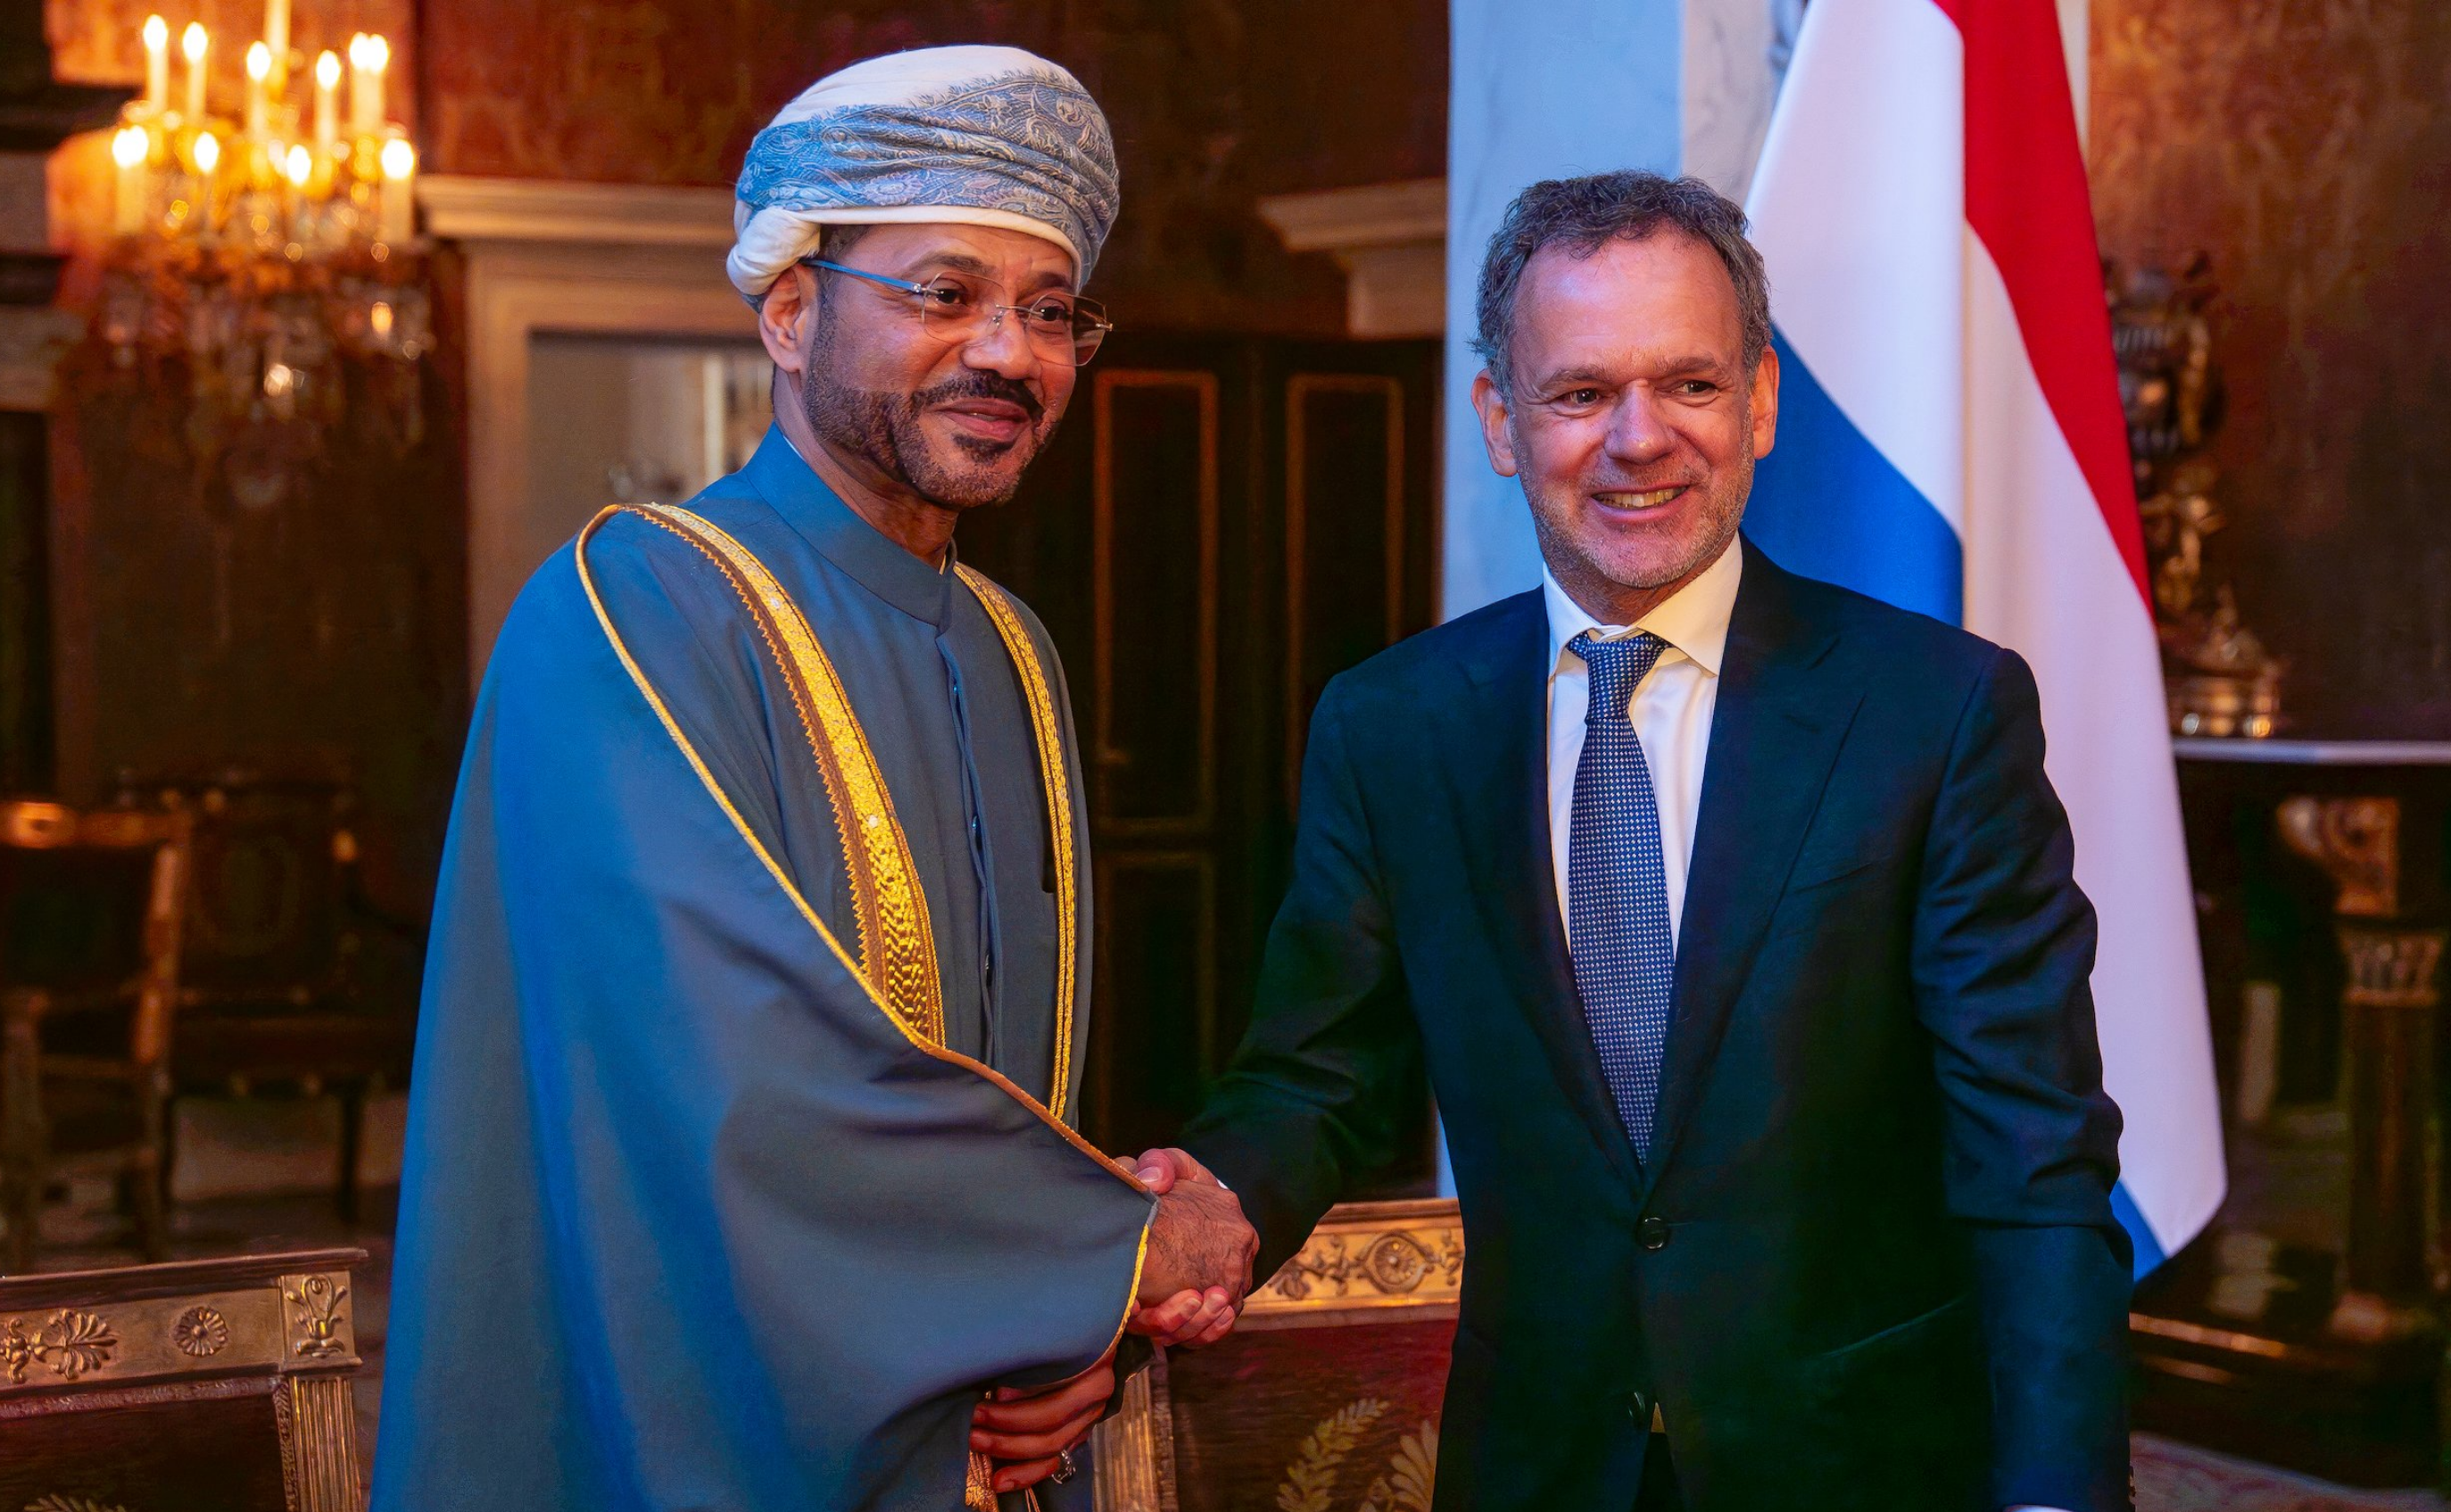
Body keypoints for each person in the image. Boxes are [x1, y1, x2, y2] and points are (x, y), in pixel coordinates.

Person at [1147, 170, 2132, 1511]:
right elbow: (1316, 1079)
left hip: (1865, 1468)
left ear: (1760, 401)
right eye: (1578, 392)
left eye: (1690, 383)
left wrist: (2059, 1493)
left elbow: (2033, 1155)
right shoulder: (1394, 725)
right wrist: (1209, 1210)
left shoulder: (1936, 711)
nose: (1638, 438)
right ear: (1500, 420)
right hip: (1536, 1469)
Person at [374, 46, 1254, 1512]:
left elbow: (1000, 1073)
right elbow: (725, 1083)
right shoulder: (632, 602)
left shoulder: (1010, 645)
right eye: (944, 292)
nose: (1009, 353)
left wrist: (1053, 1342)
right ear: (789, 311)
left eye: (1049, 311)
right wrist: (1102, 1254)